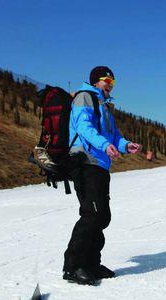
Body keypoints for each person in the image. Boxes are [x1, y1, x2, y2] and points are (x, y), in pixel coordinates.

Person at [62, 66, 141, 285]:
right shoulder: (84, 98)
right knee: (92, 215)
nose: (110, 84)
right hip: (85, 162)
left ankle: (91, 264)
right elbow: (84, 127)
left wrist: (126, 145)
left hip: (100, 166)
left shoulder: (104, 106)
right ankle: (73, 266)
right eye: (107, 80)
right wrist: (104, 145)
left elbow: (114, 136)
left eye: (113, 82)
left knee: (102, 216)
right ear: (96, 81)